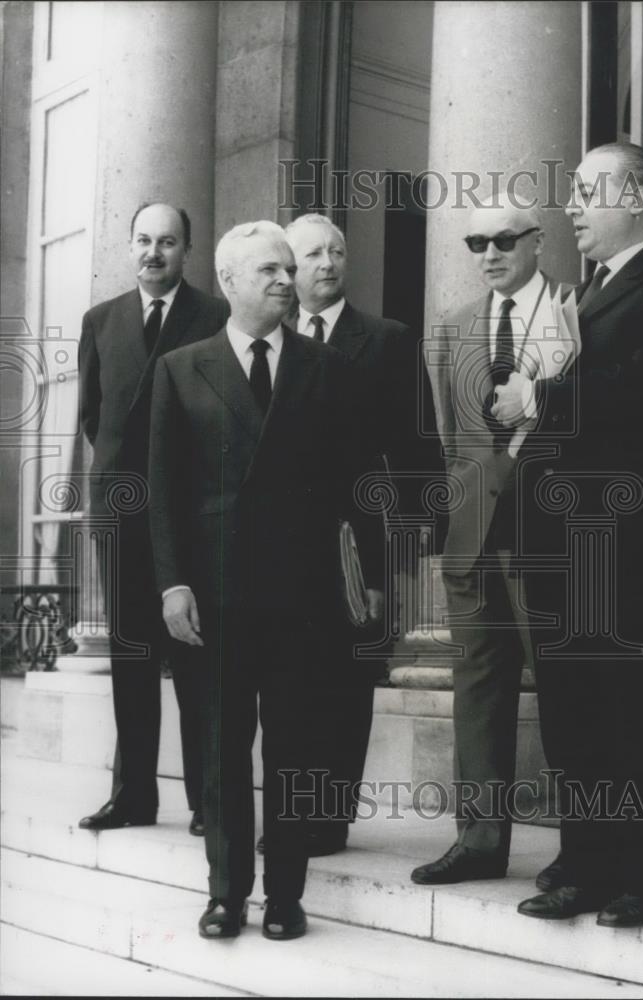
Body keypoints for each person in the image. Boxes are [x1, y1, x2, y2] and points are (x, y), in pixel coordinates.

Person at [148, 221, 384, 941]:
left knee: (294, 744)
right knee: (220, 747)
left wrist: (368, 577)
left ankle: (285, 896)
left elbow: (358, 482)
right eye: (269, 271)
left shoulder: (326, 366)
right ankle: (226, 893)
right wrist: (172, 584)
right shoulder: (182, 367)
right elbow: (163, 490)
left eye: (290, 268)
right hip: (215, 594)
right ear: (228, 281)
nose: (287, 280)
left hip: (303, 593)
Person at [511, 142, 643, 927]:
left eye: (587, 191)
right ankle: (587, 866)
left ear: (634, 198)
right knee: (575, 714)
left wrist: (546, 385)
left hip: (633, 549)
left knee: (639, 711)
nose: (571, 207)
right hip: (566, 545)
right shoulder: (582, 296)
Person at [276, 212, 444, 857]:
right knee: (293, 682)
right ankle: (295, 812)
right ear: (291, 267)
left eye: (337, 251)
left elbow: (419, 445)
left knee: (346, 682)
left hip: (362, 544)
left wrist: (415, 535)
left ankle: (330, 819)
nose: (328, 262)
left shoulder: (386, 339)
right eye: (313, 253)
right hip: (287, 546)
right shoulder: (273, 340)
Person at [414, 200, 571, 885]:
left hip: (551, 532)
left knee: (569, 688)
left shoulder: (573, 311)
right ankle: (479, 842)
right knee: (478, 684)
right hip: (474, 536)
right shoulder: (451, 327)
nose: (489, 253)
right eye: (476, 242)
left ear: (536, 241)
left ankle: (583, 845)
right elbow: (451, 440)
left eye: (503, 239)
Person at [78, 202, 229, 836]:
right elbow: (94, 415)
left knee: (197, 660)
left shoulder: (215, 316)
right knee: (131, 656)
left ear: (186, 251)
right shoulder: (101, 319)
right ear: (129, 246)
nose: (153, 253)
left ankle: (205, 800)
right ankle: (134, 794)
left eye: (167, 242)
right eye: (143, 240)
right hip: (122, 512)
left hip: (191, 517)